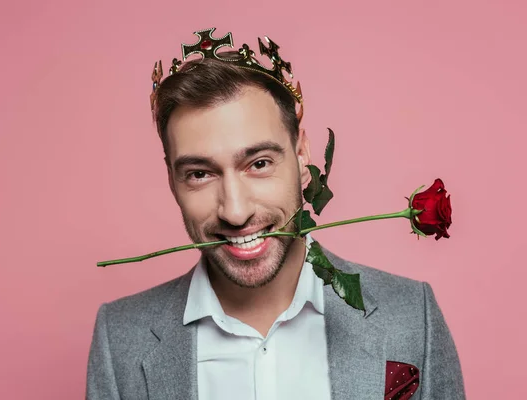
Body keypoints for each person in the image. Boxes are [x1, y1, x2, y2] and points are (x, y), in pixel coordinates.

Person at [86, 28, 466, 400]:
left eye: (259, 163)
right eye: (200, 174)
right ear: (171, 179)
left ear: (302, 155)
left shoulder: (412, 317)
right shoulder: (119, 340)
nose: (235, 212)